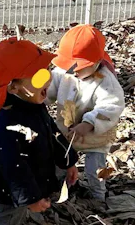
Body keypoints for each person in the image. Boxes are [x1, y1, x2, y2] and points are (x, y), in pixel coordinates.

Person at [0, 37, 79, 225]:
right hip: (6, 192)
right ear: (13, 86)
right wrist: (31, 198)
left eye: (47, 72)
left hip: (25, 182)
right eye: (39, 76)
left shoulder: (33, 105)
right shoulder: (6, 125)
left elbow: (53, 133)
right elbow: (13, 169)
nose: (48, 80)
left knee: (11, 224)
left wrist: (69, 161)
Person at [47, 24, 125, 201]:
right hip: (67, 133)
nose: (74, 69)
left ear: (97, 62)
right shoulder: (63, 73)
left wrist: (89, 123)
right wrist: (37, 95)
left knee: (94, 171)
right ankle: (59, 187)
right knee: (60, 162)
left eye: (80, 67)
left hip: (95, 138)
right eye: (70, 65)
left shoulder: (105, 81)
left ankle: (98, 197)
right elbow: (48, 90)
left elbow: (111, 106)